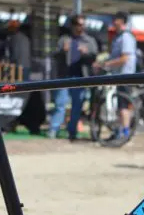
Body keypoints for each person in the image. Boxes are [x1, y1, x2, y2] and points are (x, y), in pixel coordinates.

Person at [49, 15, 98, 139]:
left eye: (82, 24)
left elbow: (94, 58)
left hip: (81, 77)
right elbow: (54, 56)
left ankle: (72, 132)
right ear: (73, 25)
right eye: (78, 24)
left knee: (77, 106)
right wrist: (63, 51)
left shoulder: (89, 40)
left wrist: (86, 53)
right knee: (60, 104)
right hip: (64, 76)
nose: (81, 27)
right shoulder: (64, 39)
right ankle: (53, 130)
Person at [94, 11, 137, 140]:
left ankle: (124, 133)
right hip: (119, 76)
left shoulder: (126, 37)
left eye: (116, 20)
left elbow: (124, 58)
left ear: (122, 21)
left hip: (126, 76)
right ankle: (120, 131)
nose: (114, 22)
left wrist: (107, 63)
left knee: (123, 106)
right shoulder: (118, 37)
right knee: (120, 106)